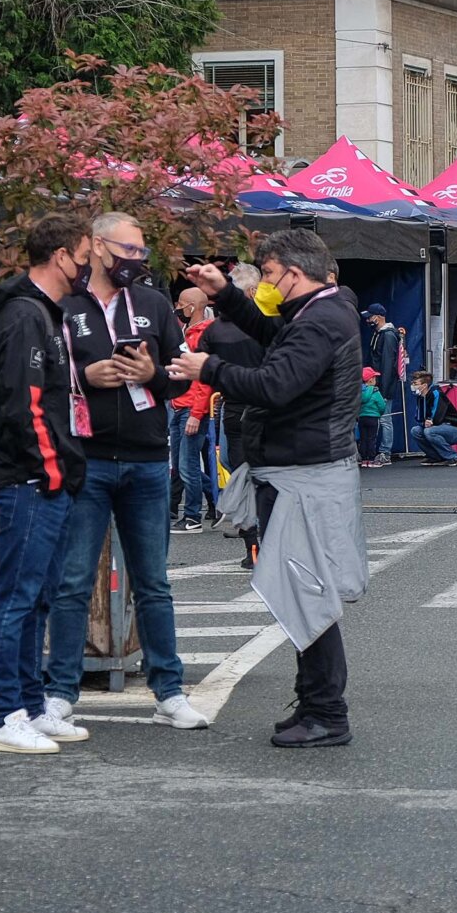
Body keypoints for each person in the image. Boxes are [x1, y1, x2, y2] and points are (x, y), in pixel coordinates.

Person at [172, 230, 365, 748]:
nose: (267, 287)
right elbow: (274, 337)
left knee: (307, 595)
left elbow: (274, 383)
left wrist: (207, 368)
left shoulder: (321, 319)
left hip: (304, 472)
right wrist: (225, 293)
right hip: (303, 468)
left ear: (292, 275)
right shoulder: (328, 307)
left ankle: (326, 711)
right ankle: (316, 703)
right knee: (304, 594)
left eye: (269, 276)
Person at [47, 212, 209, 732]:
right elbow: (39, 373)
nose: (135, 261)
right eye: (127, 251)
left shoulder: (154, 304)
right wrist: (83, 377)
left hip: (144, 461)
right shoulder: (65, 305)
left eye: (141, 253)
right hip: (87, 459)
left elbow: (183, 376)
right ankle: (59, 694)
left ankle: (169, 691)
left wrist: (153, 374)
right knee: (73, 581)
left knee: (153, 582)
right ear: (95, 246)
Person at [0, 213, 91, 754]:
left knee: (38, 596)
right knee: (17, 598)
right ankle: (4, 717)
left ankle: (29, 704)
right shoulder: (26, 316)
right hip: (30, 478)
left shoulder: (43, 313)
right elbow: (25, 404)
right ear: (61, 255)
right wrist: (52, 470)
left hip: (47, 476)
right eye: (86, 251)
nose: (91, 262)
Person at [204, 263, 268, 569]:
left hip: (232, 409)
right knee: (260, 475)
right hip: (264, 409)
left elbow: (204, 368)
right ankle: (262, 538)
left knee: (238, 470)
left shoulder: (216, 329)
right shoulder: (266, 324)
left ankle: (252, 542)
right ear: (254, 292)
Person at [169, 287, 215, 534]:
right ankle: (215, 500)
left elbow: (203, 378)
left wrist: (197, 413)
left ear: (192, 307)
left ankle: (193, 516)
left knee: (187, 465)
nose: (178, 307)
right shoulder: (185, 332)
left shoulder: (204, 335)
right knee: (181, 464)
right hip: (178, 404)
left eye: (181, 303)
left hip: (190, 408)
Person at [363, 304, 403, 463]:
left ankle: (385, 452)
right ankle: (372, 451)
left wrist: (383, 389)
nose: (368, 319)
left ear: (378, 317)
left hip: (382, 386)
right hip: (374, 384)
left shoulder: (387, 336)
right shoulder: (378, 334)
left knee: (385, 419)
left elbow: (387, 363)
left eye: (370, 316)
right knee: (375, 418)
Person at [408, 371, 457, 467]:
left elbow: (437, 415)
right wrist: (424, 423)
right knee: (415, 431)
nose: (413, 386)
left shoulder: (436, 393)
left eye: (415, 384)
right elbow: (418, 417)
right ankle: (435, 456)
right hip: (438, 427)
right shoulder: (420, 397)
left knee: (429, 431)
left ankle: (453, 457)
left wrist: (430, 421)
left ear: (424, 385)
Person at [358, 367, 388, 466]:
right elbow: (382, 406)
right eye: (375, 378)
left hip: (362, 418)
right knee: (371, 438)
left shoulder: (359, 392)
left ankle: (363, 460)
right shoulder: (375, 392)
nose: (376, 380)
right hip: (373, 418)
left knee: (363, 439)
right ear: (371, 380)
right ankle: (371, 459)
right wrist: (380, 413)